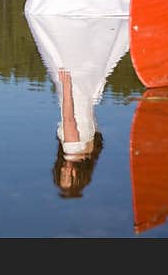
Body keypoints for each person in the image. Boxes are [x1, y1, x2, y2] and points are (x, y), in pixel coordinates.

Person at [25, 14, 129, 198]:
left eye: (62, 175)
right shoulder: (72, 149)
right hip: (75, 92)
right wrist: (66, 87)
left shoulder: (91, 150)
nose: (65, 171)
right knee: (71, 39)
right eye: (68, 176)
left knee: (92, 45)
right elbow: (69, 118)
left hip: (88, 94)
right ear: (78, 176)